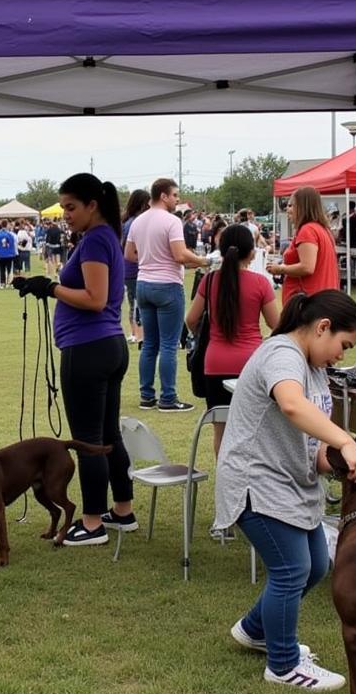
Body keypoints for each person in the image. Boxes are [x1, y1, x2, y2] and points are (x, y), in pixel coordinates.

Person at [214, 289, 356, 692]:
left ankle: (254, 630)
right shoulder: (281, 354)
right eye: (343, 344)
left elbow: (311, 449)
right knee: (291, 569)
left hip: (290, 485)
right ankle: (282, 666)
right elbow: (292, 407)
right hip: (256, 483)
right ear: (322, 328)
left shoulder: (314, 367)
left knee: (316, 565)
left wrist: (340, 464)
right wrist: (346, 442)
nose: (343, 355)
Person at [13, 173, 135, 546]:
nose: (64, 213)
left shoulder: (97, 240)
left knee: (87, 440)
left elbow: (95, 298)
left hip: (90, 349)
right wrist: (45, 285)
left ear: (91, 205)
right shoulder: (103, 237)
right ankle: (122, 511)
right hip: (107, 346)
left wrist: (49, 287)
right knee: (107, 434)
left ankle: (93, 523)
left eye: (70, 207)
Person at [185, 224, 279, 455]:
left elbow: (191, 319)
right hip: (251, 364)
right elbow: (276, 324)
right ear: (251, 252)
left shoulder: (209, 281)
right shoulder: (260, 283)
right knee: (255, 429)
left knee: (221, 430)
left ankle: (226, 481)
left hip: (215, 363)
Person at [126, 178, 209, 412]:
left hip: (144, 284)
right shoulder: (171, 221)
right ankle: (168, 398)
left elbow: (129, 254)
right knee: (169, 345)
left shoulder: (138, 221)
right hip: (167, 285)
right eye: (175, 196)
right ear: (163, 196)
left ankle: (146, 396)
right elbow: (180, 255)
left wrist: (150, 258)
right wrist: (204, 260)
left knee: (149, 343)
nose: (177, 200)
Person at [268, 186, 340, 306]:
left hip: (307, 303)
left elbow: (307, 267)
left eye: (291, 205)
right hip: (321, 299)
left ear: (302, 206)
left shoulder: (307, 230)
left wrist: (280, 269)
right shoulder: (323, 229)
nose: (287, 209)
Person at [120, 188, 150, 345]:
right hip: (134, 268)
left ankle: (134, 332)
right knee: (137, 303)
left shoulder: (126, 221)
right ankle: (138, 334)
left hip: (127, 269)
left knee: (133, 302)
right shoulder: (135, 223)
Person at [0, 219, 17, 287]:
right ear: (7, 225)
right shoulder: (11, 234)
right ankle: (9, 283)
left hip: (0, 254)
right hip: (9, 254)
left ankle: (2, 283)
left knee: (2, 269)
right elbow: (13, 244)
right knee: (9, 269)